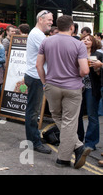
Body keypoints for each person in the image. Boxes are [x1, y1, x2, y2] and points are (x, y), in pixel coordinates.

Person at [36, 15, 92, 169]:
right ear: (72, 27)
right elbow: (85, 70)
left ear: (57, 26)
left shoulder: (46, 42)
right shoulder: (78, 44)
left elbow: (38, 66)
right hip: (73, 87)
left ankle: (67, 156)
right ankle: (73, 150)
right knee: (69, 121)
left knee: (58, 117)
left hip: (52, 85)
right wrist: (78, 74)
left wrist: (44, 82)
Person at [24, 10, 54, 154]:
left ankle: (34, 137)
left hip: (35, 76)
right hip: (36, 77)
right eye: (49, 20)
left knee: (33, 110)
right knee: (32, 111)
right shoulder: (37, 35)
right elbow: (50, 53)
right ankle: (34, 142)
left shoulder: (38, 34)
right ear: (40, 19)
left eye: (52, 20)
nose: (51, 22)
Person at [77, 34, 101, 151]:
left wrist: (99, 66)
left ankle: (91, 142)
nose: (86, 41)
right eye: (84, 39)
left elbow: (99, 74)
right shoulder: (77, 53)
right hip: (78, 87)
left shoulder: (98, 55)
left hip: (91, 88)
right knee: (77, 114)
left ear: (93, 43)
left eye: (89, 40)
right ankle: (78, 139)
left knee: (92, 115)